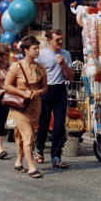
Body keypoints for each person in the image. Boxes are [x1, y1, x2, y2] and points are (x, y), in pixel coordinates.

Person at [4, 36, 47, 178]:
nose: (37, 51)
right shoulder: (16, 66)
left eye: (38, 48)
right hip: (19, 106)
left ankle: (18, 161)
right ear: (26, 50)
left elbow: (45, 88)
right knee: (29, 135)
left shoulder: (40, 68)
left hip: (35, 105)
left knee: (21, 134)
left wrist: (36, 92)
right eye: (34, 48)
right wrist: (23, 92)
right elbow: (7, 86)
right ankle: (32, 167)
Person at [34, 29, 74, 169]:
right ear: (49, 40)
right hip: (46, 89)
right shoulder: (42, 54)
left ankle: (56, 156)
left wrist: (63, 64)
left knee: (59, 125)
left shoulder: (66, 54)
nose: (60, 42)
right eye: (57, 40)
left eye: (62, 39)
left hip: (60, 89)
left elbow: (71, 76)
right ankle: (39, 148)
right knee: (43, 123)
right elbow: (35, 72)